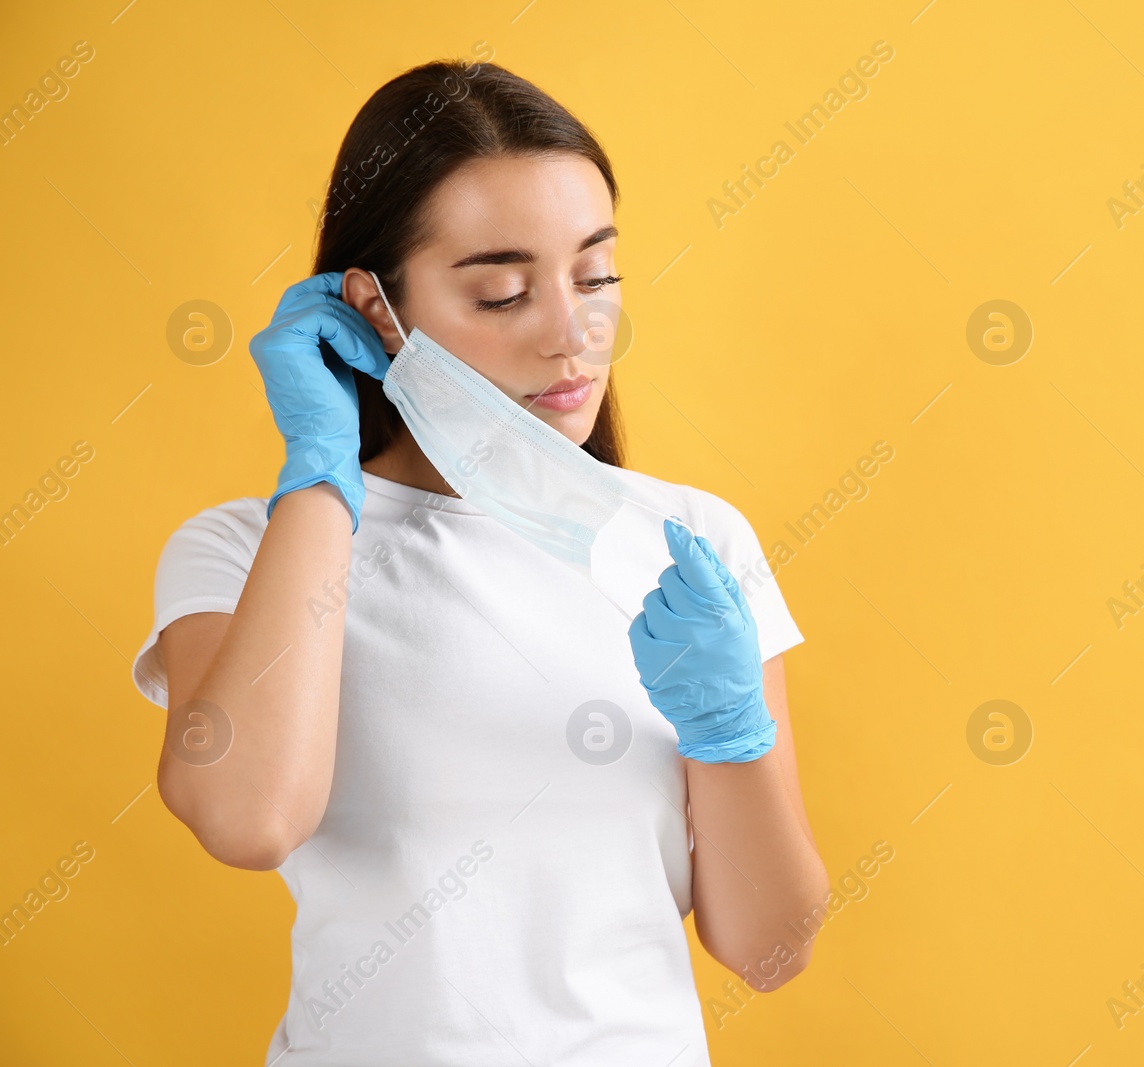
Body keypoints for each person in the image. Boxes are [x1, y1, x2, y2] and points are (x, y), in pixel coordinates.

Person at [129, 57, 829, 1066]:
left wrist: (732, 734)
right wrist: (321, 480)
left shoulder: (693, 549)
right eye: (503, 293)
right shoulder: (242, 550)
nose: (570, 334)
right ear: (375, 308)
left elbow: (769, 950)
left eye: (595, 277)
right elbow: (249, 818)